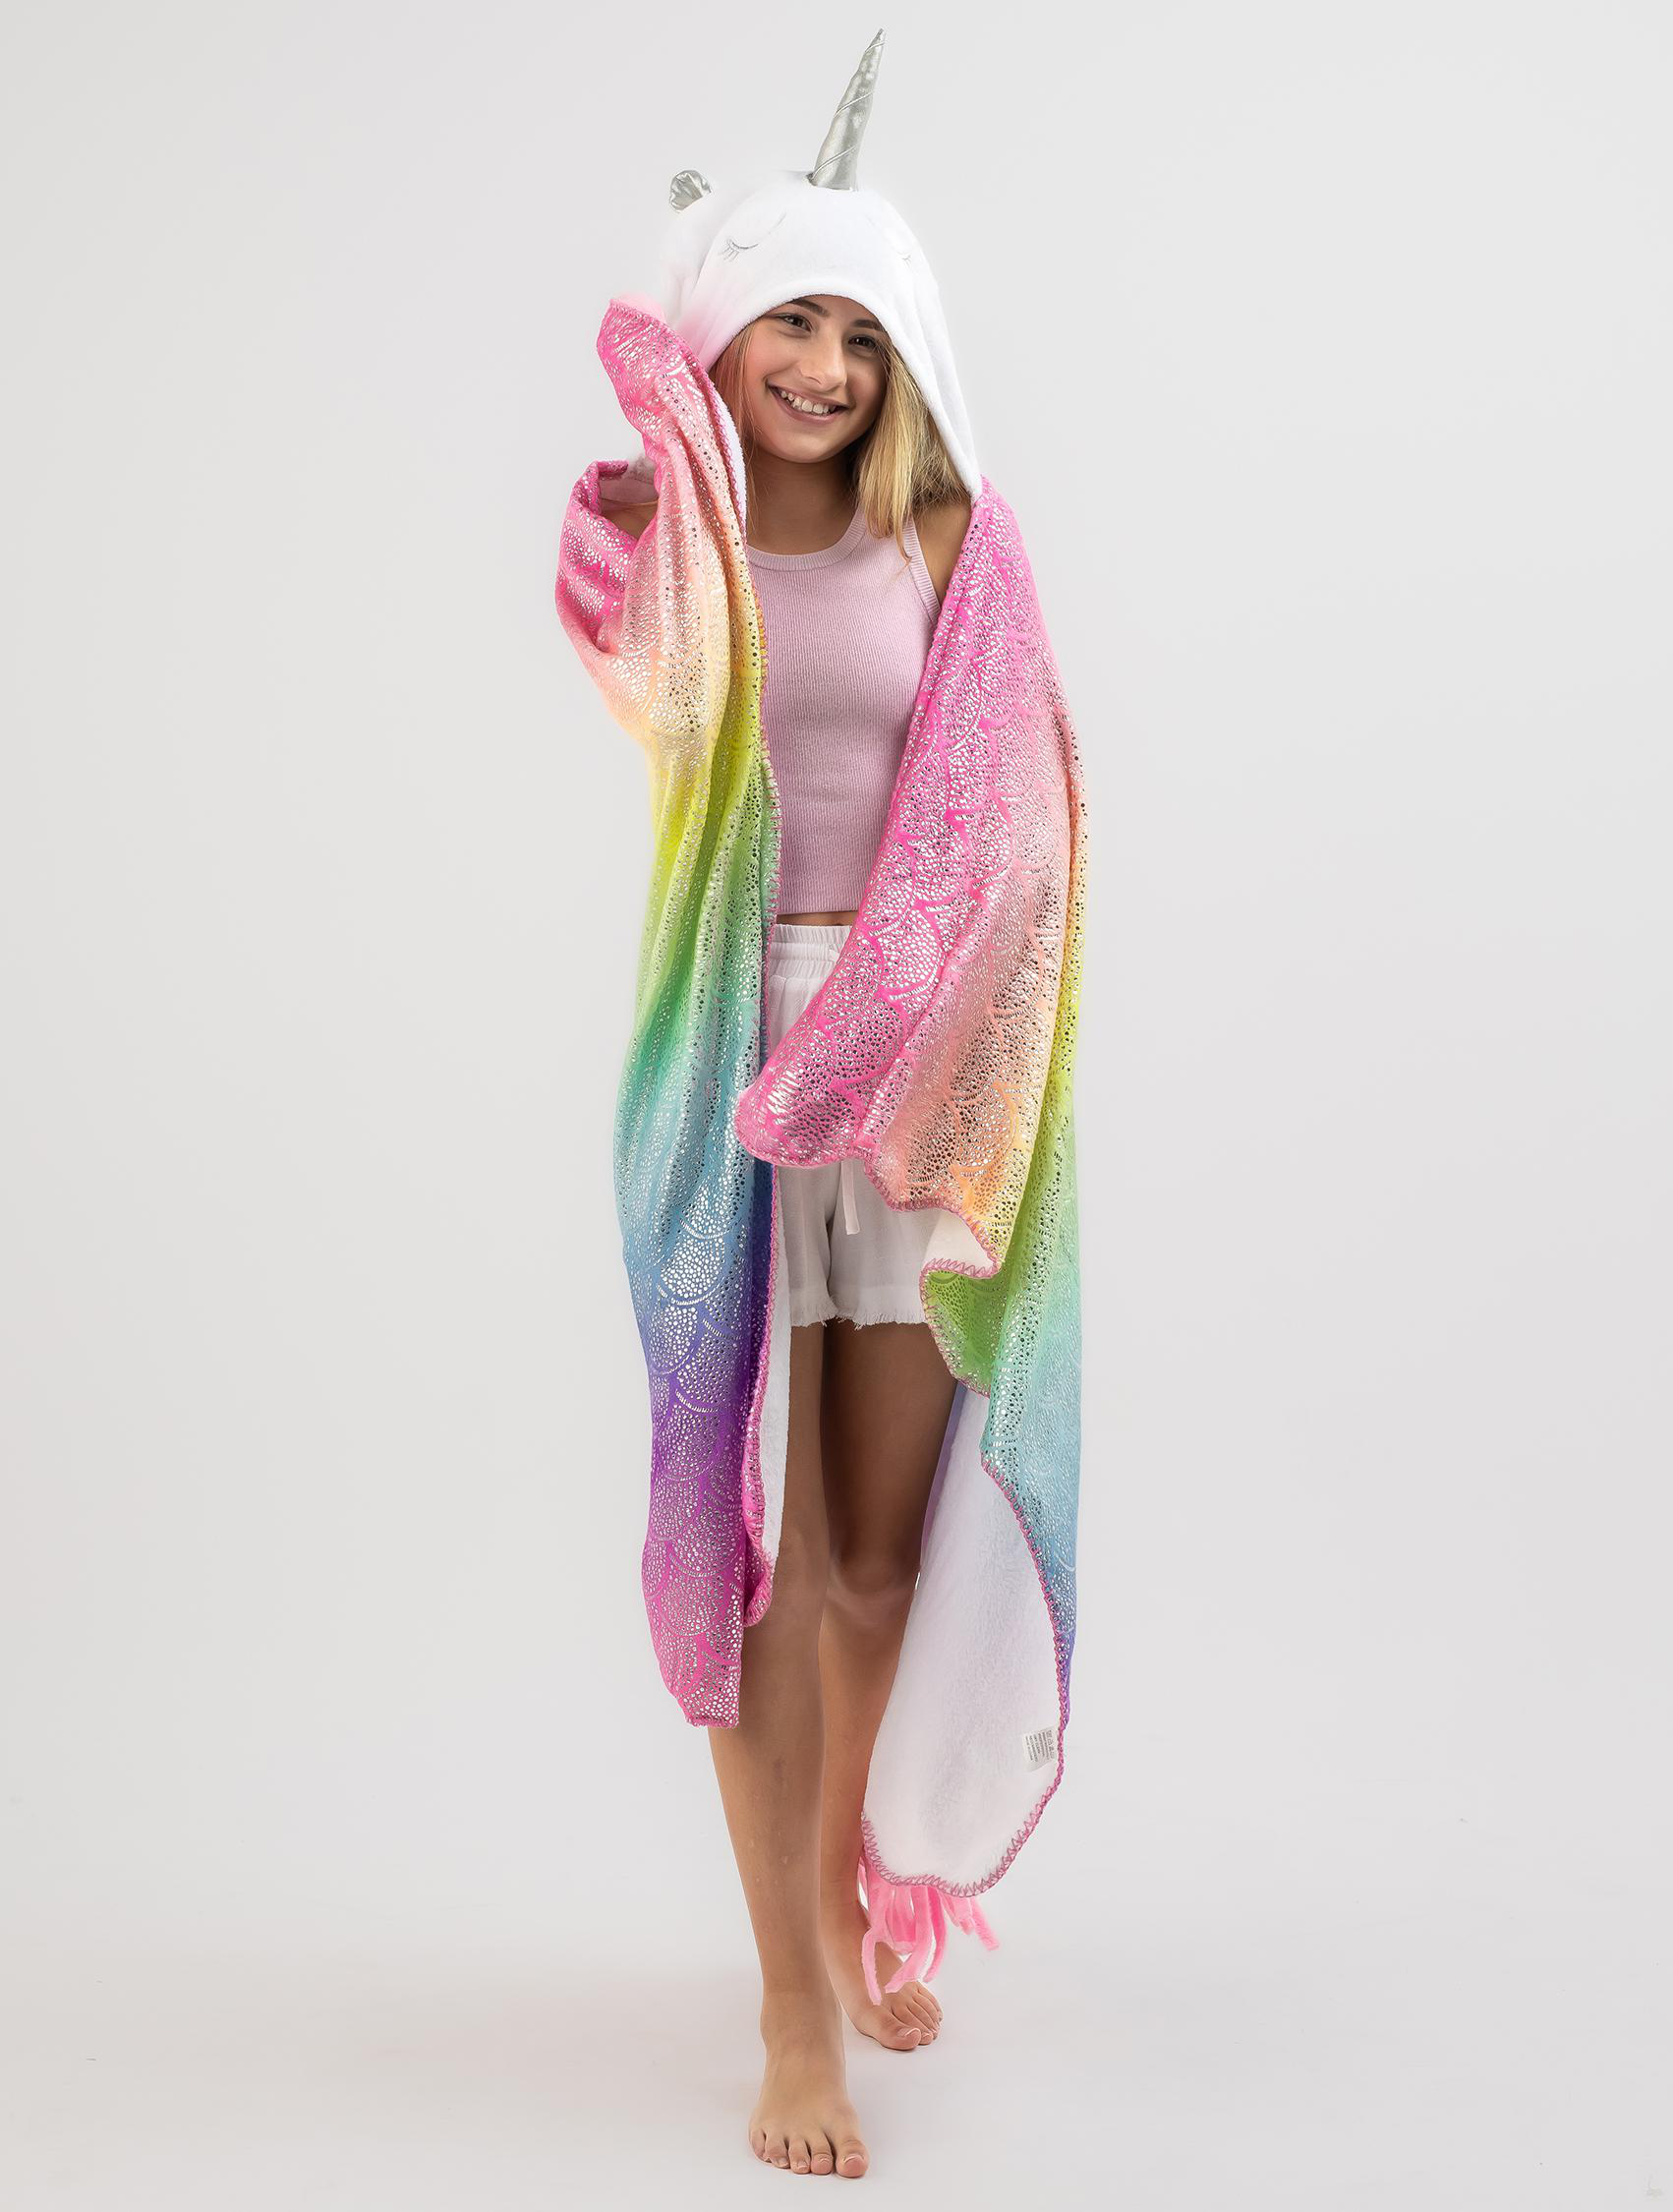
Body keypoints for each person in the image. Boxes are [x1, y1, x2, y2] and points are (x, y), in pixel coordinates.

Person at [556, 31, 1087, 2183]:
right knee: (761, 1551)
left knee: (872, 1547)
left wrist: (923, 1034)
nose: (829, 368)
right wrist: (646, 481)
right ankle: (793, 1998)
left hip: (926, 1071)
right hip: (741, 1078)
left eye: (863, 334)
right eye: (792, 321)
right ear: (726, 332)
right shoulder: (662, 558)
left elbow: (1026, 834)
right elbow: (632, 671)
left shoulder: (951, 537)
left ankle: (853, 1882)